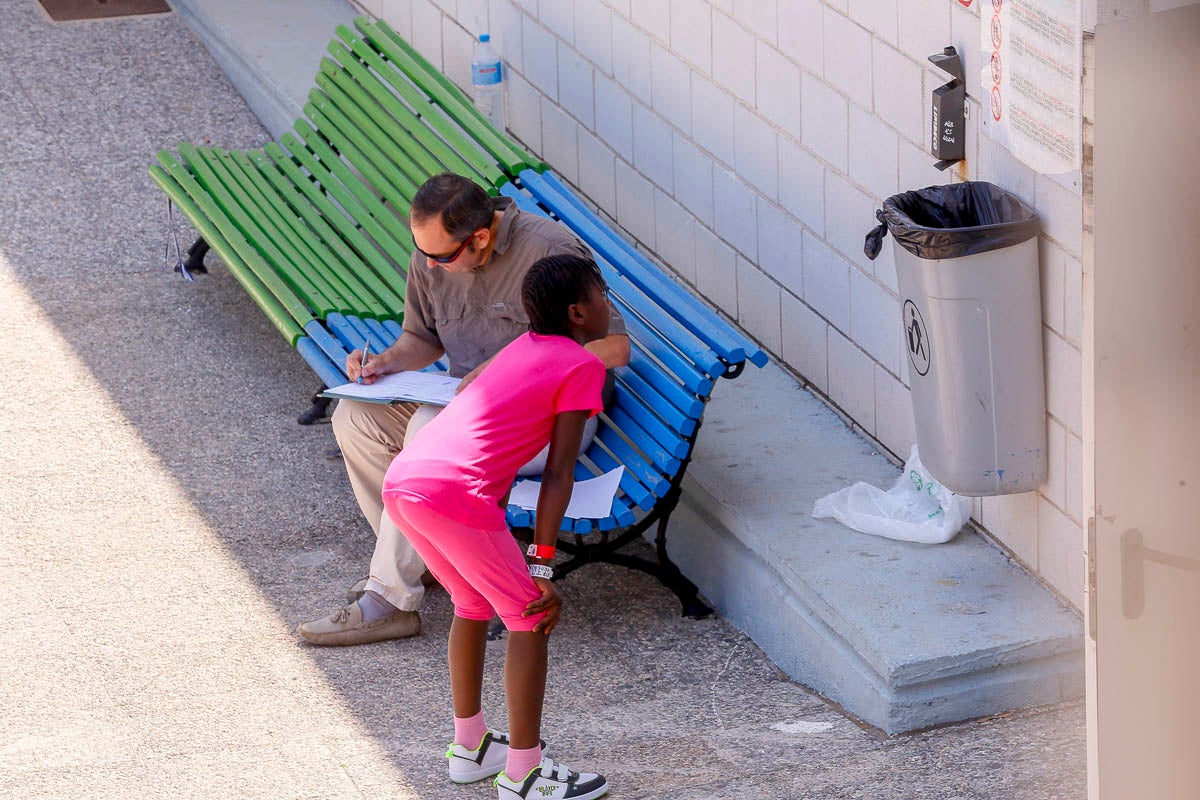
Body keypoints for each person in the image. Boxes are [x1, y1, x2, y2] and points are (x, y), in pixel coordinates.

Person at [298, 174, 629, 646]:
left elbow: (613, 347)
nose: (430, 264)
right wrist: (384, 363)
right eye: (423, 252)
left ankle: (390, 599)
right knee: (354, 416)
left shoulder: (549, 250)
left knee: (428, 431)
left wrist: (508, 365)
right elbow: (423, 339)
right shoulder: (434, 254)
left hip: (546, 417)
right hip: (463, 403)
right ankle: (436, 558)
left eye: (441, 257)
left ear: (479, 237)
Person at [383, 254, 611, 799]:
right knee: (530, 616)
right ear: (579, 312)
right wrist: (541, 564)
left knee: (472, 602)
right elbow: (558, 474)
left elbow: (482, 419)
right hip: (456, 494)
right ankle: (524, 773)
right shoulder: (582, 365)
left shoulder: (524, 347)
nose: (609, 307)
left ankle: (472, 747)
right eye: (603, 298)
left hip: (407, 479)